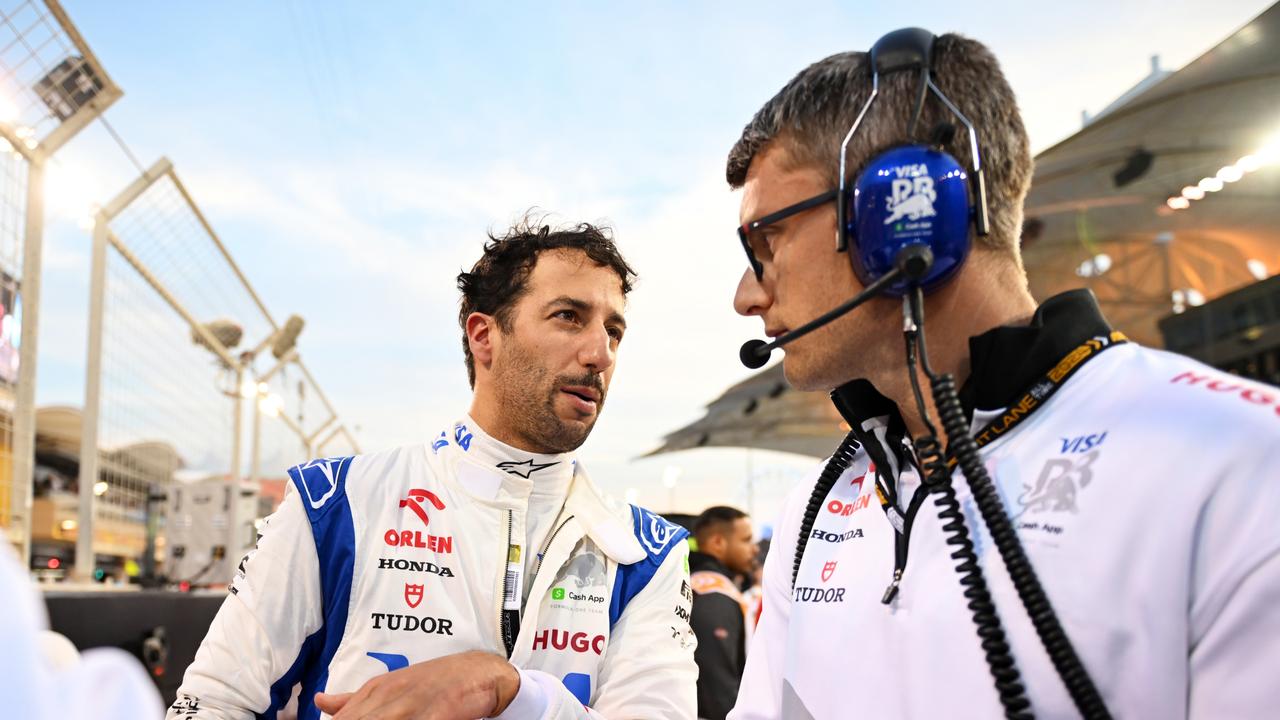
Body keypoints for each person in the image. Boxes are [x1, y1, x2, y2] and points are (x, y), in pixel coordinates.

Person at [724, 29, 1280, 720]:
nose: (746, 296)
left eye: (764, 241)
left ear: (904, 214)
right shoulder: (817, 502)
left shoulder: (1241, 459)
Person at [169, 219, 697, 720]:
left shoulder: (648, 553)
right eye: (568, 317)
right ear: (484, 336)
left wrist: (507, 690)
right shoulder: (334, 503)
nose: (600, 353)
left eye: (614, 331)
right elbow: (214, 702)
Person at [688, 506, 758, 720]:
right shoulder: (715, 594)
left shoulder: (693, 582)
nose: (754, 549)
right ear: (718, 543)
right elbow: (717, 686)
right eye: (746, 540)